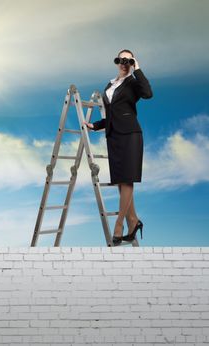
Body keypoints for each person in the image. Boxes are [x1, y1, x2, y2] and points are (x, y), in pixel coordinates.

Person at [83, 49, 153, 246]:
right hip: (113, 136)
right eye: (120, 60)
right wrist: (95, 125)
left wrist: (137, 69)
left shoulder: (133, 83)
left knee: (127, 179)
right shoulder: (110, 84)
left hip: (131, 135)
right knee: (120, 182)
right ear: (116, 62)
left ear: (131, 63)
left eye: (127, 60)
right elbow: (111, 114)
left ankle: (119, 223)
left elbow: (148, 93)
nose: (123, 63)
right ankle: (133, 220)